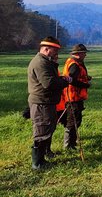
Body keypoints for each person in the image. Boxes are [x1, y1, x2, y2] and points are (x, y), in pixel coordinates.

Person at [27, 36, 72, 170]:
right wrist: (65, 82)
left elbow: (50, 79)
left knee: (47, 128)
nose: (57, 53)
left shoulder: (45, 61)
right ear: (46, 49)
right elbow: (49, 83)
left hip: (46, 102)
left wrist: (61, 78)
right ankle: (38, 163)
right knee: (41, 130)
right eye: (55, 50)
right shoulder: (41, 63)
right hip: (41, 103)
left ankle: (43, 157)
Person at [57, 44, 91, 151]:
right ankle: (68, 146)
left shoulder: (74, 62)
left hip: (75, 97)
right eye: (84, 53)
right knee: (73, 121)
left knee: (76, 120)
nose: (85, 55)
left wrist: (86, 78)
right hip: (73, 97)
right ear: (78, 54)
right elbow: (72, 79)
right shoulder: (74, 65)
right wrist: (85, 85)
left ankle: (72, 142)